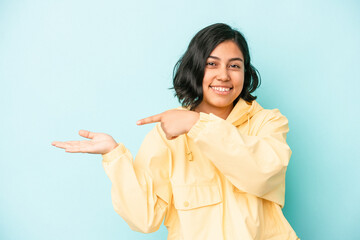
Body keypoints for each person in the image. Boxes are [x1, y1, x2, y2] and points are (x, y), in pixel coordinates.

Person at [52, 23, 299, 240]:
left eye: (234, 66)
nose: (223, 75)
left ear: (245, 73)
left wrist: (196, 124)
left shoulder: (268, 122)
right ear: (195, 69)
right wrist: (114, 155)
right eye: (211, 64)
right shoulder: (167, 136)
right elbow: (145, 219)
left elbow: (263, 173)